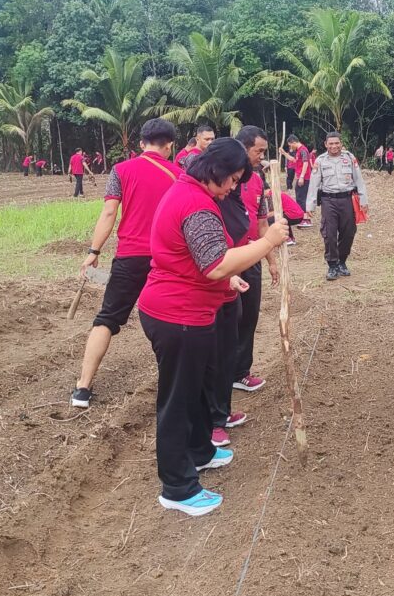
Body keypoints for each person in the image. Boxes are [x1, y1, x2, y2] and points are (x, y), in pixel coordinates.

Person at [140, 138, 289, 516]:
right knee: (178, 401)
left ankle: (200, 451)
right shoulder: (195, 204)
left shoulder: (193, 194)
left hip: (188, 310)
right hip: (177, 316)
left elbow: (195, 260)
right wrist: (267, 240)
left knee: (194, 393)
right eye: (232, 180)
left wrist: (225, 282)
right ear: (216, 171)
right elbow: (216, 262)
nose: (233, 189)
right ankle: (177, 487)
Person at [72, 119, 180, 409]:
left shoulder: (120, 170)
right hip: (165, 259)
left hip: (130, 257)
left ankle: (82, 388)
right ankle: (173, 385)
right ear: (169, 145)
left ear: (141, 143)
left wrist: (94, 251)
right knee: (170, 321)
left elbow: (109, 213)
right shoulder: (180, 175)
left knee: (107, 318)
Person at [206, 127, 282, 448]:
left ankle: (225, 402)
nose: (261, 158)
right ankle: (211, 421)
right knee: (217, 345)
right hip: (224, 265)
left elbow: (262, 221)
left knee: (241, 323)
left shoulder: (254, 181)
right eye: (258, 151)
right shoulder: (213, 191)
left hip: (244, 260)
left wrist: (270, 257)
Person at [305, 131, 369, 281]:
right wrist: (310, 206)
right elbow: (313, 184)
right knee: (329, 234)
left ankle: (342, 261)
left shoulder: (349, 158)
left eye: (337, 143)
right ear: (326, 145)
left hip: (347, 199)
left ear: (341, 143)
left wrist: (363, 200)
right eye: (331, 143)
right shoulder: (320, 161)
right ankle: (332, 265)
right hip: (328, 200)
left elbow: (359, 180)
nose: (334, 146)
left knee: (349, 232)